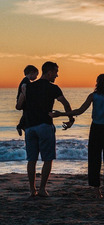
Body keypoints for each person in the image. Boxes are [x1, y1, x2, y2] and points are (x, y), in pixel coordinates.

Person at [51, 74, 104, 199]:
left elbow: (79, 111)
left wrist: (62, 114)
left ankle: (97, 192)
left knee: (94, 160)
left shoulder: (93, 96)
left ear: (97, 83)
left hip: (96, 129)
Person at [16, 61, 74, 198]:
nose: (57, 75)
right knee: (47, 159)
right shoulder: (53, 88)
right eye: (55, 72)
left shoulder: (28, 87)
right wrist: (71, 120)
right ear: (49, 73)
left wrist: (24, 94)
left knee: (32, 160)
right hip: (44, 126)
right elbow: (65, 104)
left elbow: (19, 106)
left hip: (30, 127)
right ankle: (42, 189)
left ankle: (32, 190)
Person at [16, 65, 39, 136]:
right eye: (36, 75)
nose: (36, 77)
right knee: (26, 113)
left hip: (23, 100)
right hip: (23, 100)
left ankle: (21, 125)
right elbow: (24, 88)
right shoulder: (26, 80)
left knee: (25, 113)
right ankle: (20, 126)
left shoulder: (25, 80)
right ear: (32, 73)